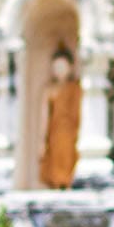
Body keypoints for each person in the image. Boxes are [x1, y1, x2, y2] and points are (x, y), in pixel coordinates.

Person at [39, 47, 81, 190]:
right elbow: (45, 115)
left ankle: (68, 182)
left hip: (70, 132)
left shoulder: (75, 88)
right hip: (55, 133)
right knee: (55, 160)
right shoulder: (50, 90)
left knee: (69, 157)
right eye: (57, 67)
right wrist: (42, 138)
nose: (60, 71)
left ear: (70, 67)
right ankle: (57, 184)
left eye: (63, 67)